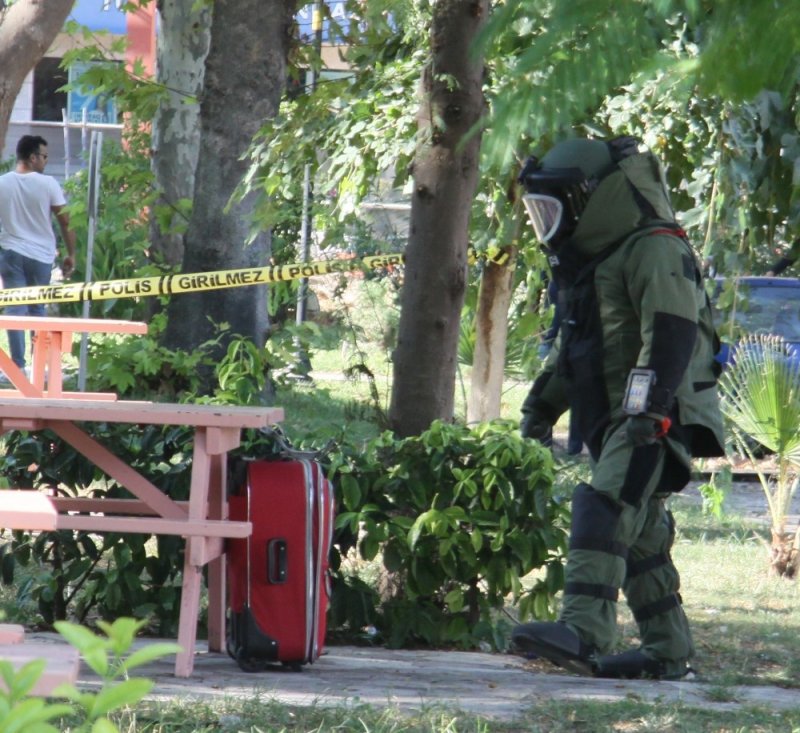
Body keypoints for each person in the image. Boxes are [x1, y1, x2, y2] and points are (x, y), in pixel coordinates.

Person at [513, 136, 725, 680]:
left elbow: (672, 331)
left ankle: (581, 632)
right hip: (619, 421)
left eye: (553, 208)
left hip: (652, 422)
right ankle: (667, 653)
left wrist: (647, 413)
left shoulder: (655, 247)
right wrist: (541, 408)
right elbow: (579, 350)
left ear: (590, 200)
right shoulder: (601, 260)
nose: (547, 224)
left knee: (603, 508)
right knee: (643, 543)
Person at [0, 135, 76, 375]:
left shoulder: (2, 183)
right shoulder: (48, 184)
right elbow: (65, 220)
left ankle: (17, 367)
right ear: (32, 157)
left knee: (15, 308)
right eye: (44, 156)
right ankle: (38, 366)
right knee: (37, 309)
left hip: (11, 253)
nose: (45, 160)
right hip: (41, 256)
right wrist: (71, 253)